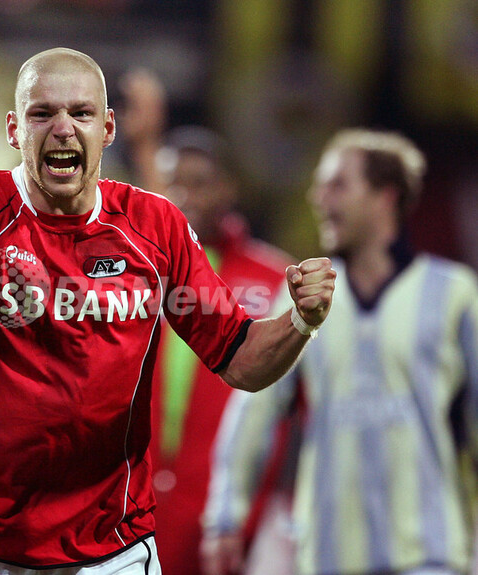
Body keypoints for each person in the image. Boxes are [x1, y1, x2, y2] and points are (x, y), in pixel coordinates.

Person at [0, 47, 336, 573]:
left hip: (111, 552)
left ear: (108, 128)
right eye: (42, 113)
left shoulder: (154, 226)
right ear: (13, 129)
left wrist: (300, 320)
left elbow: (242, 361)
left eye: (82, 113)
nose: (64, 129)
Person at [202, 129, 478, 575]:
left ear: (384, 197)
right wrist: (225, 517)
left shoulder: (454, 295)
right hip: (328, 555)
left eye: (337, 185)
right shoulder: (299, 302)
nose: (316, 197)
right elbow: (254, 413)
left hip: (431, 555)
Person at [128, 122, 299, 575]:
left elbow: (300, 405)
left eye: (200, 184)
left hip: (227, 521)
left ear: (229, 188)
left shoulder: (275, 280)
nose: (185, 196)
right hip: (127, 510)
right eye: (173, 184)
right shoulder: (124, 272)